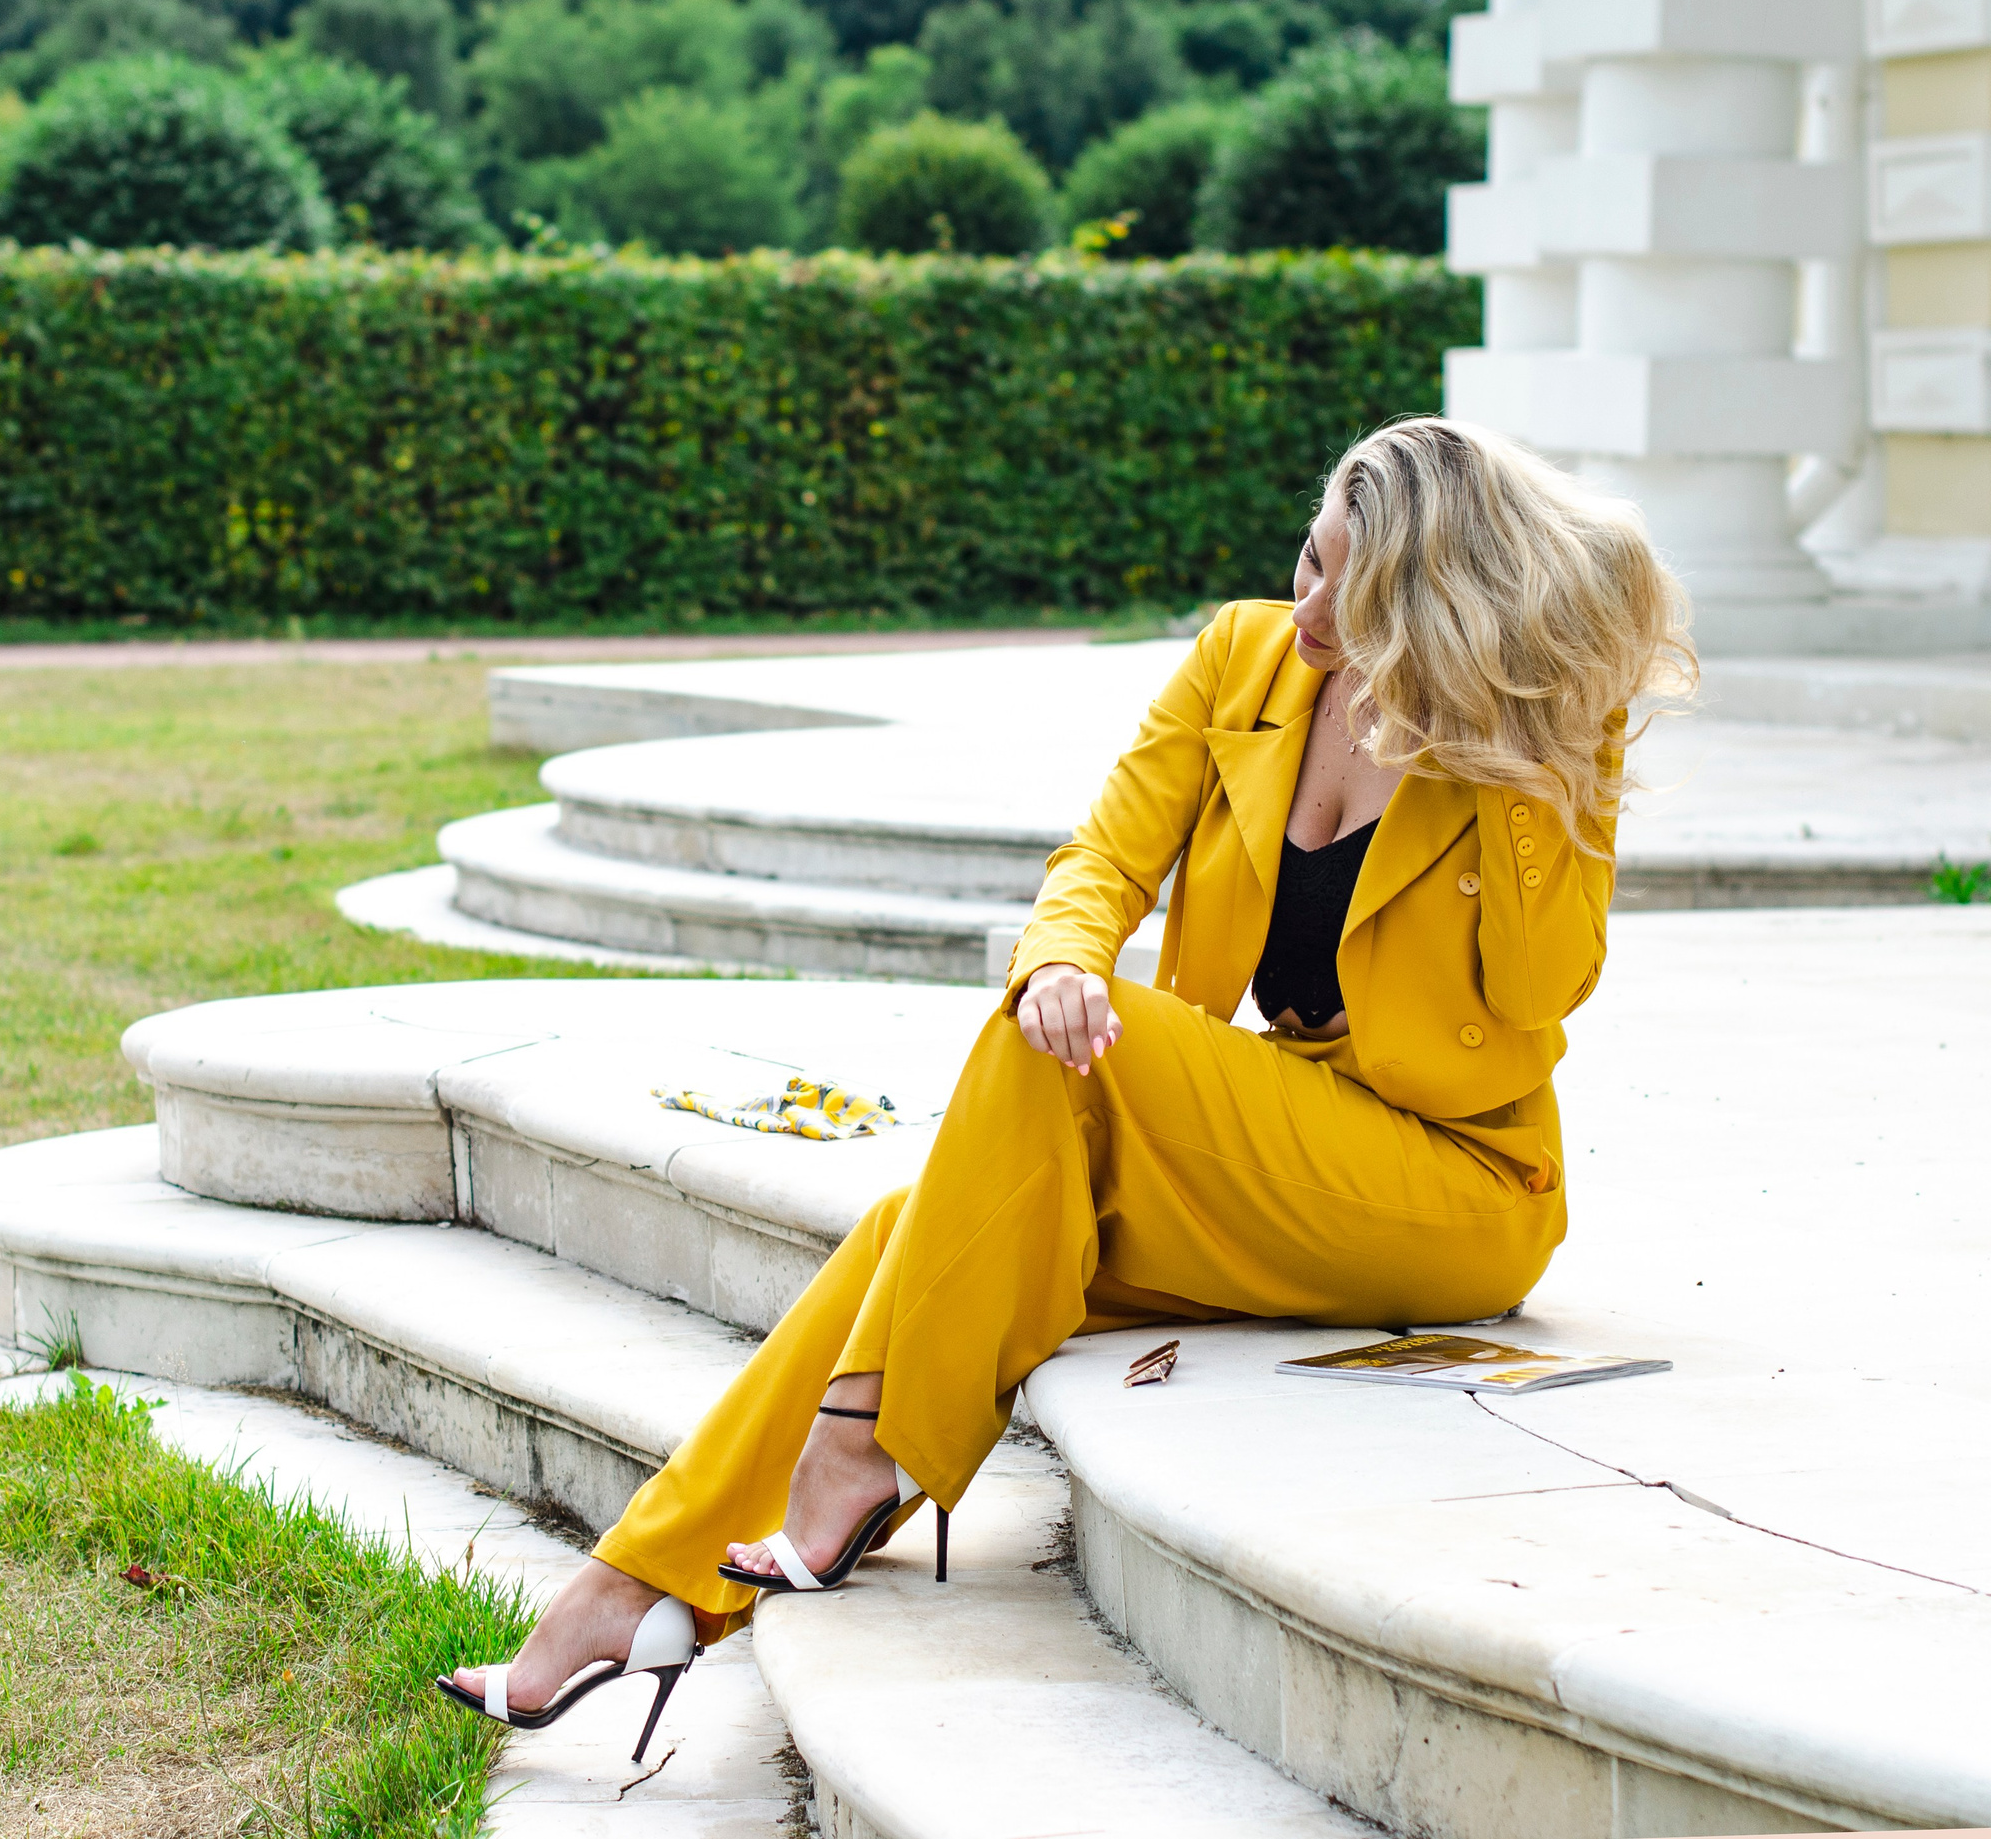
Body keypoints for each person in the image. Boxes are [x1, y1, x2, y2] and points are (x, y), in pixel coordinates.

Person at [435, 415, 1694, 1753]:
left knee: (1096, 1067)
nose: (1307, 600)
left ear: (1421, 600)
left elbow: (1541, 989)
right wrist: (1059, 962)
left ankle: (858, 1454)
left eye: (1345, 582)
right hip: (1273, 1142)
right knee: (916, 1222)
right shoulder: (1243, 657)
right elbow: (1101, 854)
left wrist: (1514, 750)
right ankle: (625, 1585)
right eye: (1308, 558)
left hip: (1449, 1187)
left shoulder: (1536, 732)